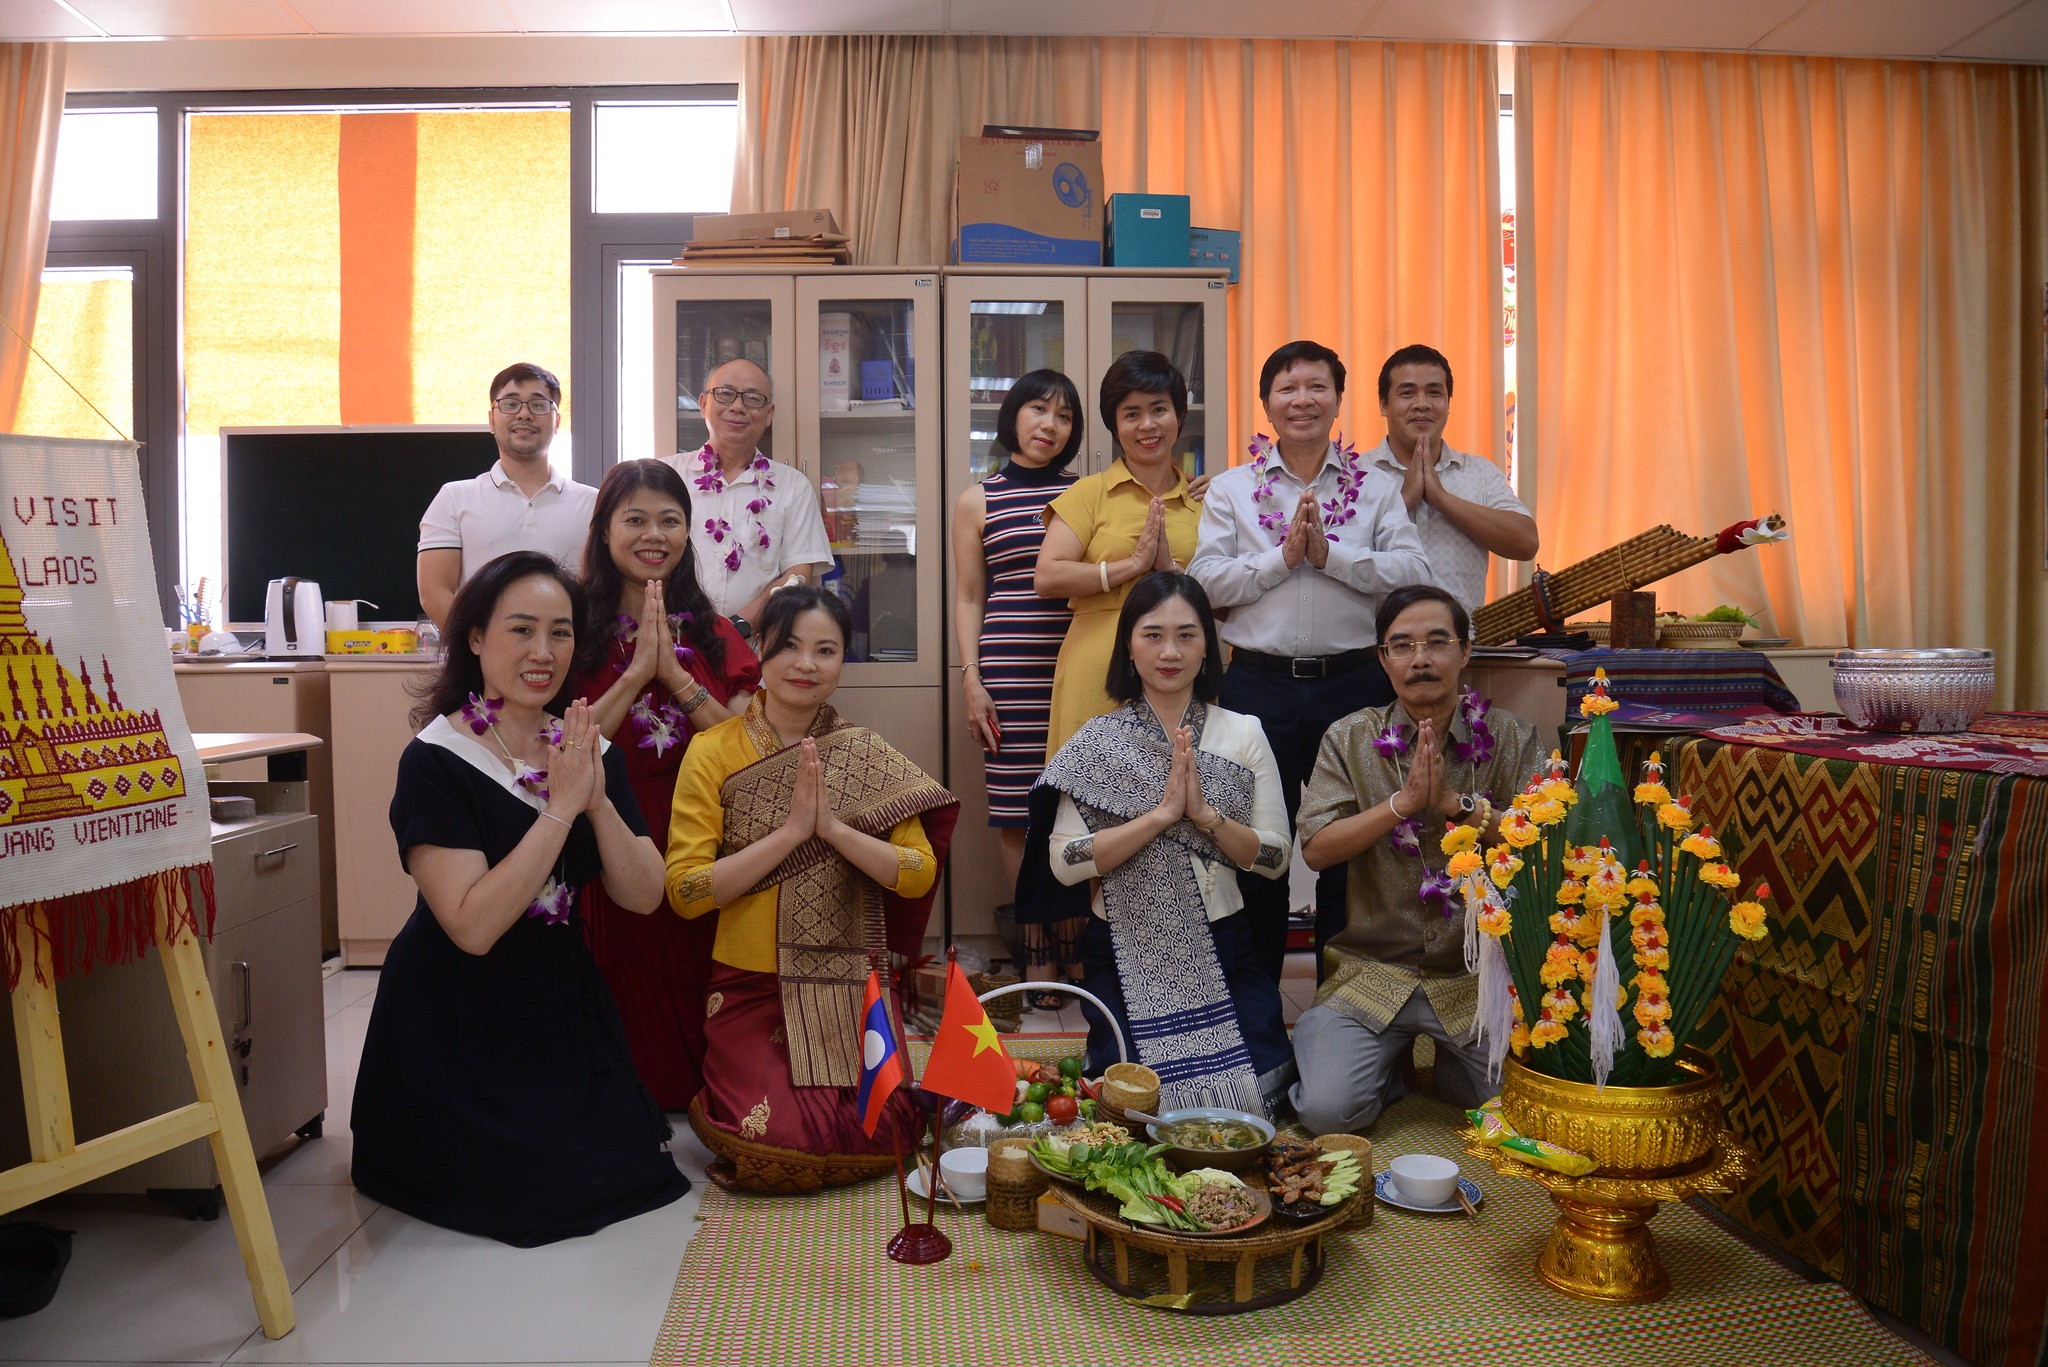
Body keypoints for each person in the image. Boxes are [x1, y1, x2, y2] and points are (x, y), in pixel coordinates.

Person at [351, 551, 689, 1245]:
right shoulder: (435, 759)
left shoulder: (586, 748)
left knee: (625, 1170)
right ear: (475, 637)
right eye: (522, 629)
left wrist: (595, 800)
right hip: (455, 1012)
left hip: (558, 1000)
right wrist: (560, 809)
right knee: (534, 1194)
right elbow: (471, 926)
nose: (543, 652)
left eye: (561, 633)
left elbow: (644, 894)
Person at [665, 587, 959, 1193]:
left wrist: (834, 831)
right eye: (790, 647)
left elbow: (917, 872)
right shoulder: (711, 751)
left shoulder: (864, 756)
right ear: (759, 649)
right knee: (782, 1136)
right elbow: (686, 891)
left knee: (886, 1129)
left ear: (843, 660)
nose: (806, 664)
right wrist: (791, 834)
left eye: (826, 650)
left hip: (846, 984)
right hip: (750, 986)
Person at [1189, 340, 1433, 982]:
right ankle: (1256, 1010)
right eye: (1288, 388)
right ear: (1267, 403)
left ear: (1338, 399)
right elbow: (1204, 582)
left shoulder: (1375, 489)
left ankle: (1344, 1002)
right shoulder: (1232, 490)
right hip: (1257, 686)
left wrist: (1333, 558)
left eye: (1317, 387)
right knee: (1254, 844)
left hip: (1353, 684)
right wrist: (1282, 560)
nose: (1302, 400)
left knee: (1351, 848)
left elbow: (1414, 572)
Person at [1032, 573, 1295, 1115]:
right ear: (1128, 646)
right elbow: (1064, 861)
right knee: (1136, 1100)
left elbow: (1274, 858)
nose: (1170, 652)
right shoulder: (1098, 742)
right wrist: (1159, 818)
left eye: (1186, 635)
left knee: (1261, 1094)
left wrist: (1206, 817)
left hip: (1223, 945)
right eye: (1152, 635)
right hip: (1124, 947)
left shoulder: (1243, 732)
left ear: (1208, 649)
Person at [1289, 583, 1545, 1135]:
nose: (1420, 659)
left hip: (1476, 979)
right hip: (1370, 973)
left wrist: (1458, 807)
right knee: (1328, 1112)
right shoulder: (1349, 737)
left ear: (1466, 650)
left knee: (1526, 1108)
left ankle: (1452, 1070)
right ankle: (1389, 1069)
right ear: (1382, 659)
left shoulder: (1510, 737)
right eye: (1402, 645)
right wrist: (1399, 806)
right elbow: (1315, 848)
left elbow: (1544, 842)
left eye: (1437, 642)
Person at [572, 459, 761, 1111]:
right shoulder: (571, 631)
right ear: (604, 530)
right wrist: (635, 675)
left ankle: (712, 1096)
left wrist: (676, 678)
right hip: (614, 835)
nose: (654, 534)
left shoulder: (716, 633)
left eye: (670, 520)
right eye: (636, 519)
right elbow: (566, 748)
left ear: (687, 532)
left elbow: (748, 750)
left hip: (704, 837)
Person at [951, 369, 1085, 1004]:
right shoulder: (976, 500)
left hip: (1076, 666)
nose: (1049, 425)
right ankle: (1036, 950)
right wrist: (971, 679)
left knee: (1077, 806)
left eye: (1063, 416)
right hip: (1006, 670)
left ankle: (1075, 943)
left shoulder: (1084, 493)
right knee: (1016, 815)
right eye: (1038, 409)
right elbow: (969, 595)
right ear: (1013, 415)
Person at [1034, 350, 1206, 759]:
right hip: (1097, 668)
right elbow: (1048, 577)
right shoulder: (1089, 493)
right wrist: (1132, 566)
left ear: (1179, 416)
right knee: (1088, 787)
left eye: (1159, 409)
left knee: (1180, 787)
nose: (1147, 425)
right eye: (1131, 414)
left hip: (1181, 669)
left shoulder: (1205, 503)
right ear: (1114, 425)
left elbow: (1226, 603)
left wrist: (1170, 571)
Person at [662, 359, 833, 646]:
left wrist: (736, 628)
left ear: (769, 414)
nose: (738, 407)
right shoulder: (666, 476)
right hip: (672, 645)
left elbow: (798, 573)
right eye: (725, 394)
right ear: (703, 404)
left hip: (754, 650)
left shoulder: (793, 486)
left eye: (753, 398)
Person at [416, 363, 597, 631]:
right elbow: (435, 593)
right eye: (510, 404)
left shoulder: (593, 503)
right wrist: (480, 646)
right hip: (481, 655)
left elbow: (604, 590)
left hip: (572, 653)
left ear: (557, 421)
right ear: (491, 420)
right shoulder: (454, 498)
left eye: (538, 405)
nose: (524, 414)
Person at [1364, 344, 1538, 614]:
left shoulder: (1479, 472)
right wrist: (1403, 501)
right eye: (1407, 393)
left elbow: (1526, 543)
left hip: (1463, 639)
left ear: (1448, 404)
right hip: (1376, 639)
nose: (1422, 404)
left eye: (1434, 393)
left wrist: (1442, 500)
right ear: (1383, 404)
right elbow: (1333, 555)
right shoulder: (1356, 474)